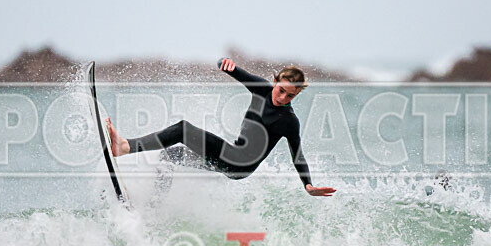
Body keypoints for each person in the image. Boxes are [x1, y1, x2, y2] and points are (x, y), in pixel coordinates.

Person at [106, 58, 336, 197]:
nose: (283, 98)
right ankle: (153, 208)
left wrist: (308, 185)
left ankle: (125, 147)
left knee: (182, 130)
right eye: (281, 90)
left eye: (290, 96)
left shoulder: (289, 121)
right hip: (231, 158)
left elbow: (298, 155)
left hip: (240, 163)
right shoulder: (261, 88)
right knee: (169, 156)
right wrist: (224, 64)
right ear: (275, 82)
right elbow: (229, 68)